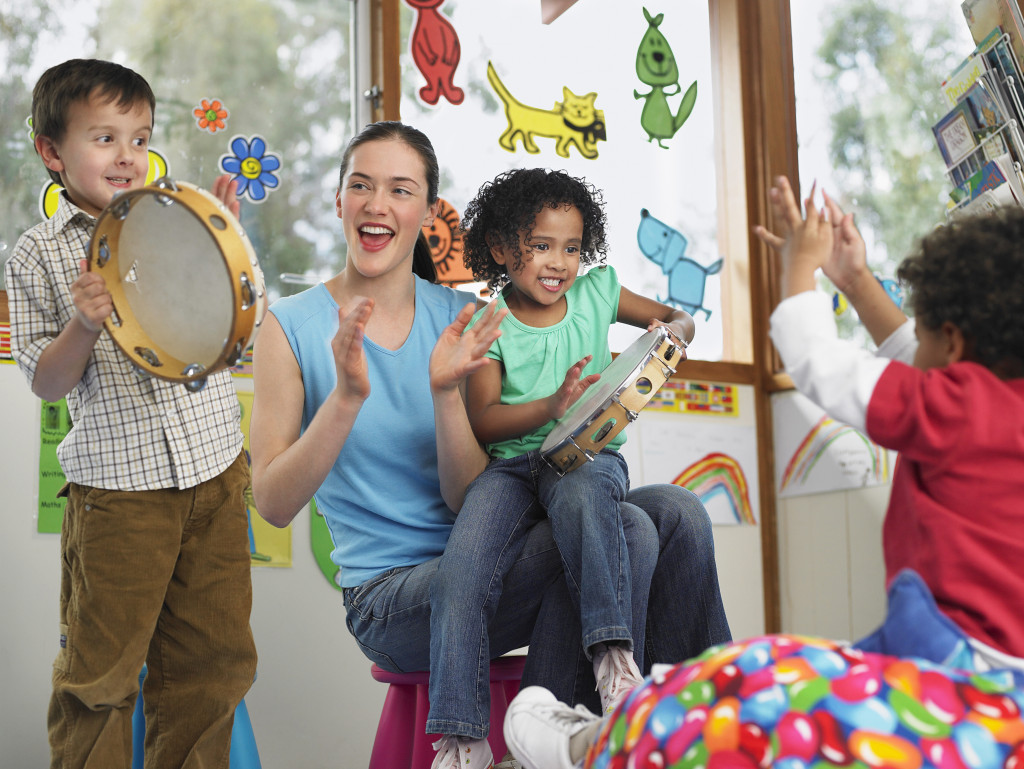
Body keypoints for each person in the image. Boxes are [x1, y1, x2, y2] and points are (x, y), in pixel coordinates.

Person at [249, 121, 730, 769]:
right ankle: (558, 730)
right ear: (339, 200)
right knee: (632, 530)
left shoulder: (471, 319)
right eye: (360, 185)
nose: (377, 202)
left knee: (677, 511)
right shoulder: (290, 326)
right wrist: (345, 399)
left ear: (424, 210)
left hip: (494, 547)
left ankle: (697, 715)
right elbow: (272, 505)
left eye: (400, 188)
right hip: (395, 596)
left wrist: (453, 395)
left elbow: (464, 490)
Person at [500, 175, 1024, 769]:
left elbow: (816, 357)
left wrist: (800, 268)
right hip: (992, 691)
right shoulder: (1001, 409)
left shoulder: (959, 408)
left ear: (954, 344)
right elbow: (915, 357)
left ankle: (589, 746)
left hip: (952, 679)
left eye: (925, 329)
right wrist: (852, 279)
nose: (915, 354)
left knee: (750, 678)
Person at [4, 58, 257, 768]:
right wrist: (82, 324)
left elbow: (216, 329)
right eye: (104, 137)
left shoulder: (171, 217)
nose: (127, 156)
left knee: (213, 667)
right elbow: (46, 383)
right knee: (101, 678)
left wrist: (214, 242)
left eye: (140, 138)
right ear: (51, 151)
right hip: (119, 494)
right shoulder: (37, 253)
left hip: (213, 472)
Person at [429, 167, 696, 743]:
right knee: (462, 571)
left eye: (571, 247)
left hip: (587, 458)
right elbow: (485, 418)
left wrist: (674, 331)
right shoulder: (487, 322)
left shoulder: (598, 293)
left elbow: (674, 319)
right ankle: (460, 737)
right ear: (500, 248)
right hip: (510, 468)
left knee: (586, 500)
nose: (559, 262)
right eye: (541, 246)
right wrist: (551, 405)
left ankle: (613, 659)